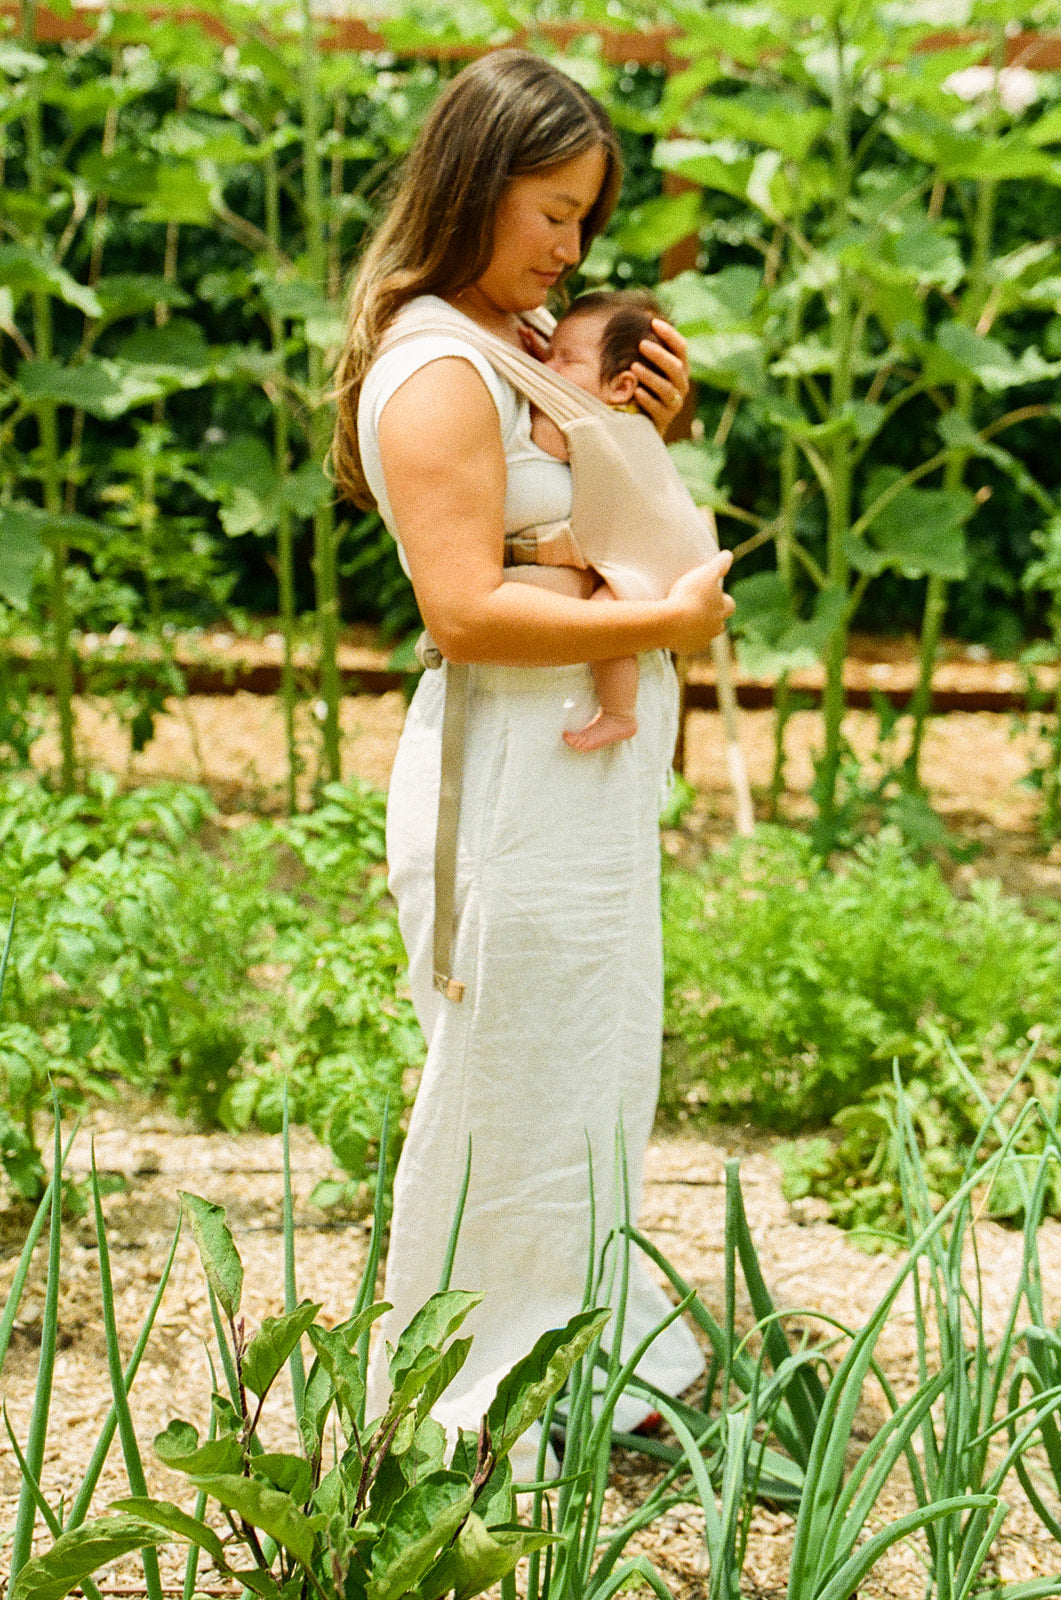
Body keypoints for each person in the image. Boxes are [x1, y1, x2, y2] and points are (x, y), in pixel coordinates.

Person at [331, 47, 734, 1475]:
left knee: (581, 1064)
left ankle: (570, 1342)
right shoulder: (436, 369)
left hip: (577, 777)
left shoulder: (525, 340)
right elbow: (461, 608)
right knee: (505, 1075)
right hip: (507, 773)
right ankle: (461, 1390)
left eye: (584, 218)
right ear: (475, 182)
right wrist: (665, 621)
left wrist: (642, 433)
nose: (571, 247)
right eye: (553, 210)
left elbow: (573, 508)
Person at [524, 287, 667, 752]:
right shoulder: (625, 415)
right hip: (629, 551)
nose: (548, 368)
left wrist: (526, 391)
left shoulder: (592, 423)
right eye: (548, 354)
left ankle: (620, 713)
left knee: (609, 624)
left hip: (641, 561)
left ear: (621, 386)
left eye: (567, 360)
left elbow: (544, 441)